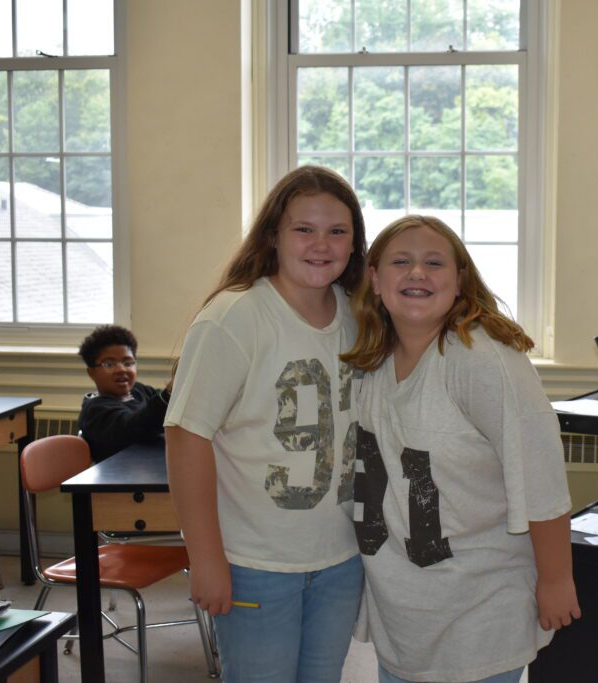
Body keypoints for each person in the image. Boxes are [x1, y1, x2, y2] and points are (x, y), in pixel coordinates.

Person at [342, 215, 581, 683]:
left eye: (434, 263)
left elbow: (540, 474)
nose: (417, 273)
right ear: (374, 278)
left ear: (460, 281)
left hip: (480, 607)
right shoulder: (371, 359)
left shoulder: (483, 358)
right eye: (400, 262)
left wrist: (556, 579)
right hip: (403, 607)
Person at [164, 166, 367, 683]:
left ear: (354, 242)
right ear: (274, 235)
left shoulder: (358, 315)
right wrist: (205, 557)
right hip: (254, 564)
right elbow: (186, 437)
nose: (321, 244)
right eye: (304, 229)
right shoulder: (235, 317)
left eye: (336, 231)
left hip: (340, 560)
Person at [77, 324, 170, 462]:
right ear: (91, 373)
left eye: (128, 363)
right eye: (109, 364)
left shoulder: (138, 390)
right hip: (120, 474)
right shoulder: (95, 410)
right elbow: (135, 426)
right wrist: (170, 393)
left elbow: (168, 408)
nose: (121, 369)